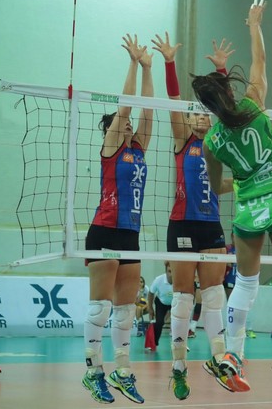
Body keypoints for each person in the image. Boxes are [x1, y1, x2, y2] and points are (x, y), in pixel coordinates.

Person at [194, 0, 272, 395]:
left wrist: (242, 183)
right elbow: (260, 59)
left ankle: (232, 357)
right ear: (229, 89)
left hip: (247, 209)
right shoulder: (254, 101)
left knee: (244, 283)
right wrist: (254, 24)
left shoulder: (210, 141)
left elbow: (216, 185)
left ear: (205, 107)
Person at [151, 31, 234, 399]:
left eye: (205, 115)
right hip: (182, 224)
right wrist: (169, 61)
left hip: (211, 226)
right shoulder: (184, 140)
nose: (200, 119)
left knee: (214, 294)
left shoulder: (218, 144)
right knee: (183, 297)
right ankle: (179, 367)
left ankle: (218, 358)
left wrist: (221, 69)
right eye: (195, 114)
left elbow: (226, 104)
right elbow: (171, 100)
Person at [82, 34, 153, 405]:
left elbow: (148, 112)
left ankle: (123, 371)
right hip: (105, 228)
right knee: (101, 307)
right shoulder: (111, 148)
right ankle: (93, 371)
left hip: (130, 233)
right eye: (119, 125)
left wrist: (148, 68)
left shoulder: (138, 149)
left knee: (126, 311)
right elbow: (126, 109)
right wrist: (131, 63)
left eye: (126, 127)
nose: (127, 128)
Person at [148, 262, 174, 349]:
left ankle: (180, 344)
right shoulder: (158, 280)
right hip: (161, 303)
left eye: (173, 271)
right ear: (166, 271)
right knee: (159, 322)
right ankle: (154, 342)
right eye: (169, 271)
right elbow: (151, 293)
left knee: (179, 323)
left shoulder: (180, 279)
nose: (171, 274)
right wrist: (150, 308)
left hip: (174, 303)